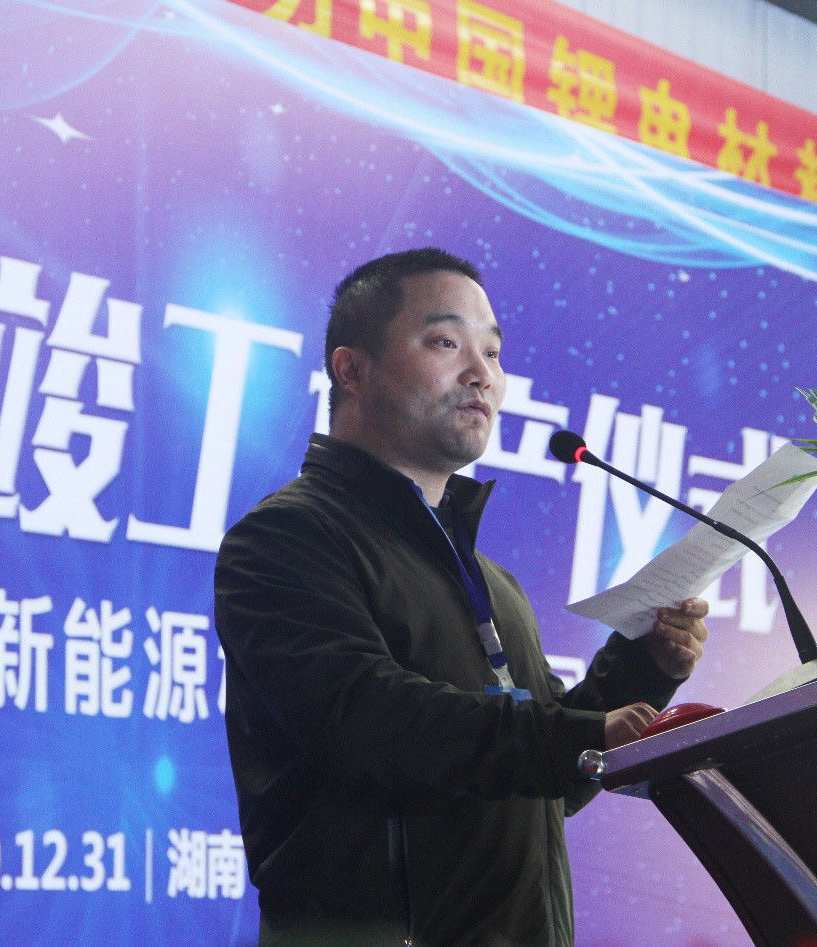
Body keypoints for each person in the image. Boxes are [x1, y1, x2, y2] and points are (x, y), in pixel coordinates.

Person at [213, 248, 709, 945]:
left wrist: (643, 667)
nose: (483, 374)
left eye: (494, 352)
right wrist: (580, 734)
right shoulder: (287, 539)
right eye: (446, 343)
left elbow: (552, 780)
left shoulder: (491, 582)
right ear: (352, 369)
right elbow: (375, 721)